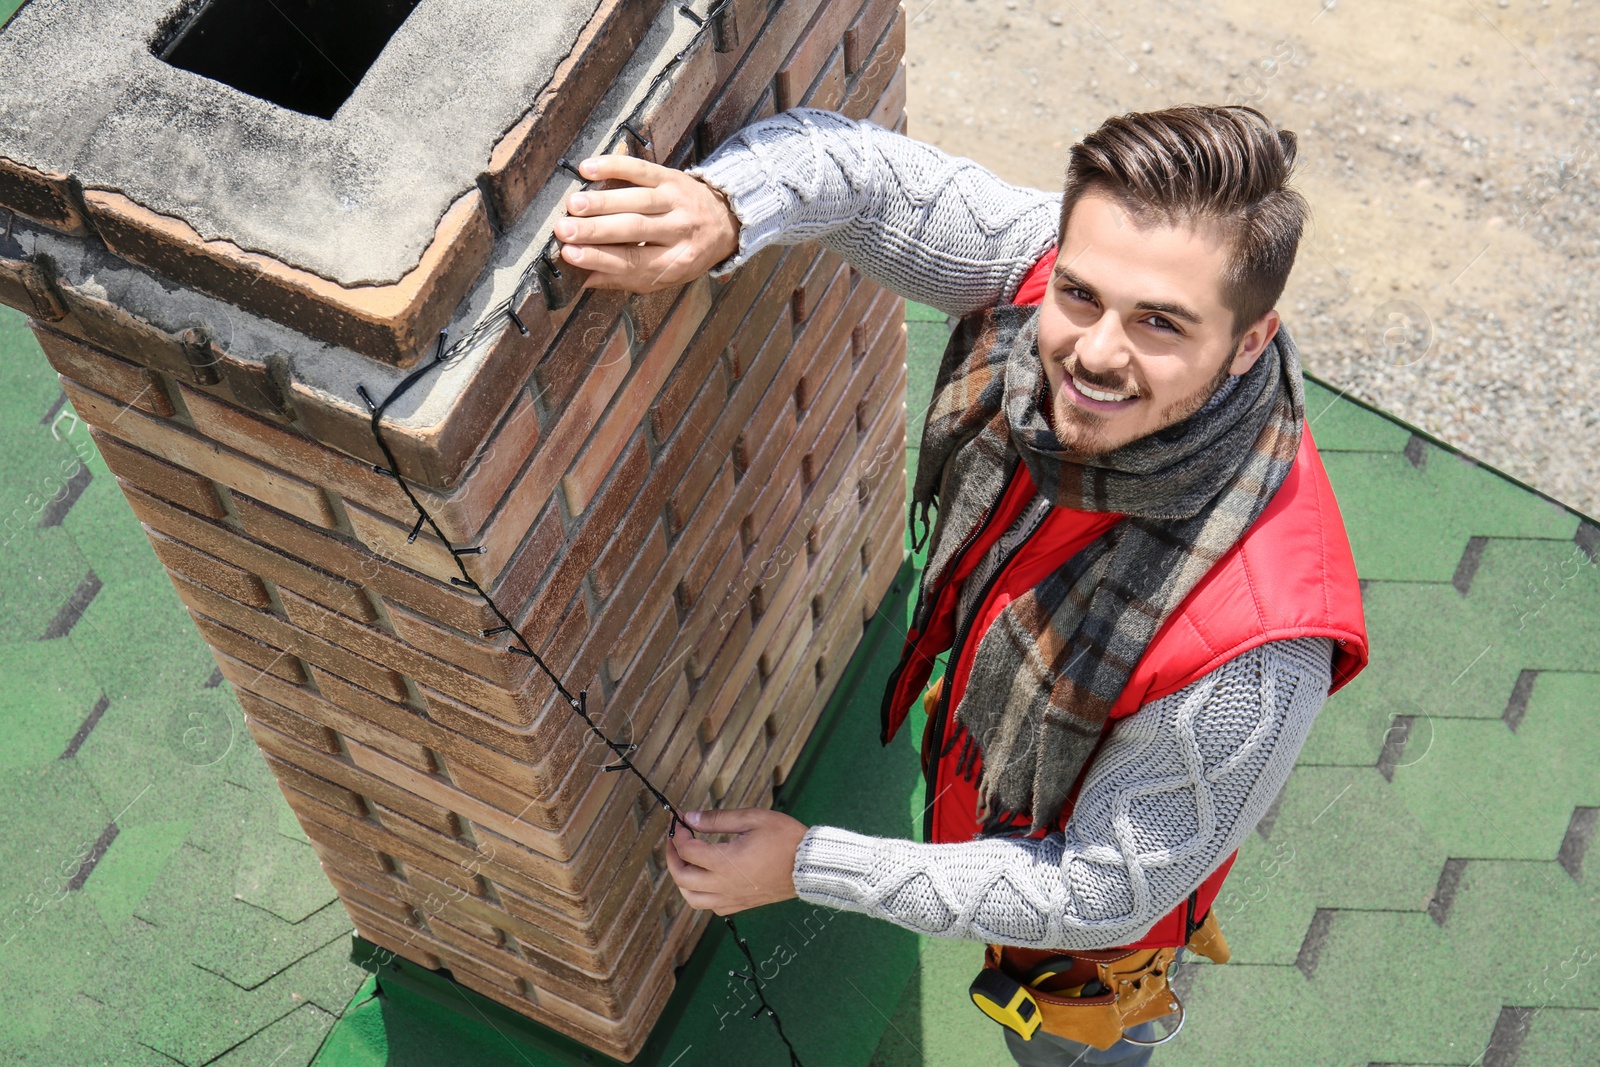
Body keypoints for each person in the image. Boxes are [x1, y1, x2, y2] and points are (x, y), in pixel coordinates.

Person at [552, 105, 1369, 1064]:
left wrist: (811, 864)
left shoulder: (1259, 653)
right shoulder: (1048, 278)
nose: (1095, 352)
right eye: (1080, 293)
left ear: (1248, 339)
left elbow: (1101, 889)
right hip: (997, 782)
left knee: (1076, 1052)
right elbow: (860, 170)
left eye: (1160, 323)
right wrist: (726, 209)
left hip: (1080, 964)